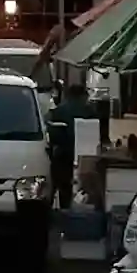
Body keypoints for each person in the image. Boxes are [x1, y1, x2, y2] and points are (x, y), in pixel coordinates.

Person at [48, 81, 85, 210]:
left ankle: (49, 211)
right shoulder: (89, 110)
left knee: (56, 185)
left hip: (61, 154)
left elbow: (51, 133)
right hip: (82, 154)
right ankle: (66, 212)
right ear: (82, 96)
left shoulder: (58, 110)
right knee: (68, 189)